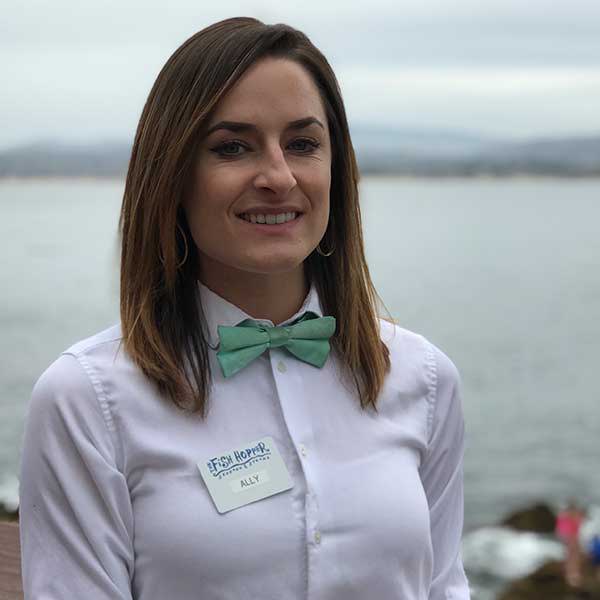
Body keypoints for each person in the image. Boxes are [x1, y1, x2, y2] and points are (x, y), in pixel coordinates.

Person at [18, 16, 470, 600]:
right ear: (173, 178)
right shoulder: (87, 400)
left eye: (304, 144)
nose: (279, 177)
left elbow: (444, 587)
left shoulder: (423, 378)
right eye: (233, 147)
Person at [555, 499, 586, 588]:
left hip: (569, 535)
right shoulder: (569, 515)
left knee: (572, 555)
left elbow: (560, 528)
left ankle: (572, 574)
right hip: (570, 536)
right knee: (573, 555)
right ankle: (573, 574)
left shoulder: (565, 515)